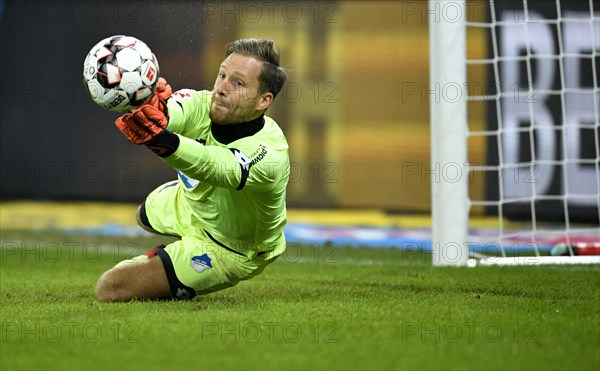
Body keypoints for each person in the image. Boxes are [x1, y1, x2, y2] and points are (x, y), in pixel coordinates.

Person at [95, 38, 289, 301]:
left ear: (264, 100)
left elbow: (213, 166)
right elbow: (172, 113)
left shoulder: (270, 154)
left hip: (230, 247)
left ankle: (175, 259)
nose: (221, 88)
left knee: (110, 288)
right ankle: (171, 260)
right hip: (191, 204)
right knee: (143, 216)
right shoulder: (202, 103)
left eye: (238, 83)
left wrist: (161, 140)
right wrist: (157, 110)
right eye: (222, 75)